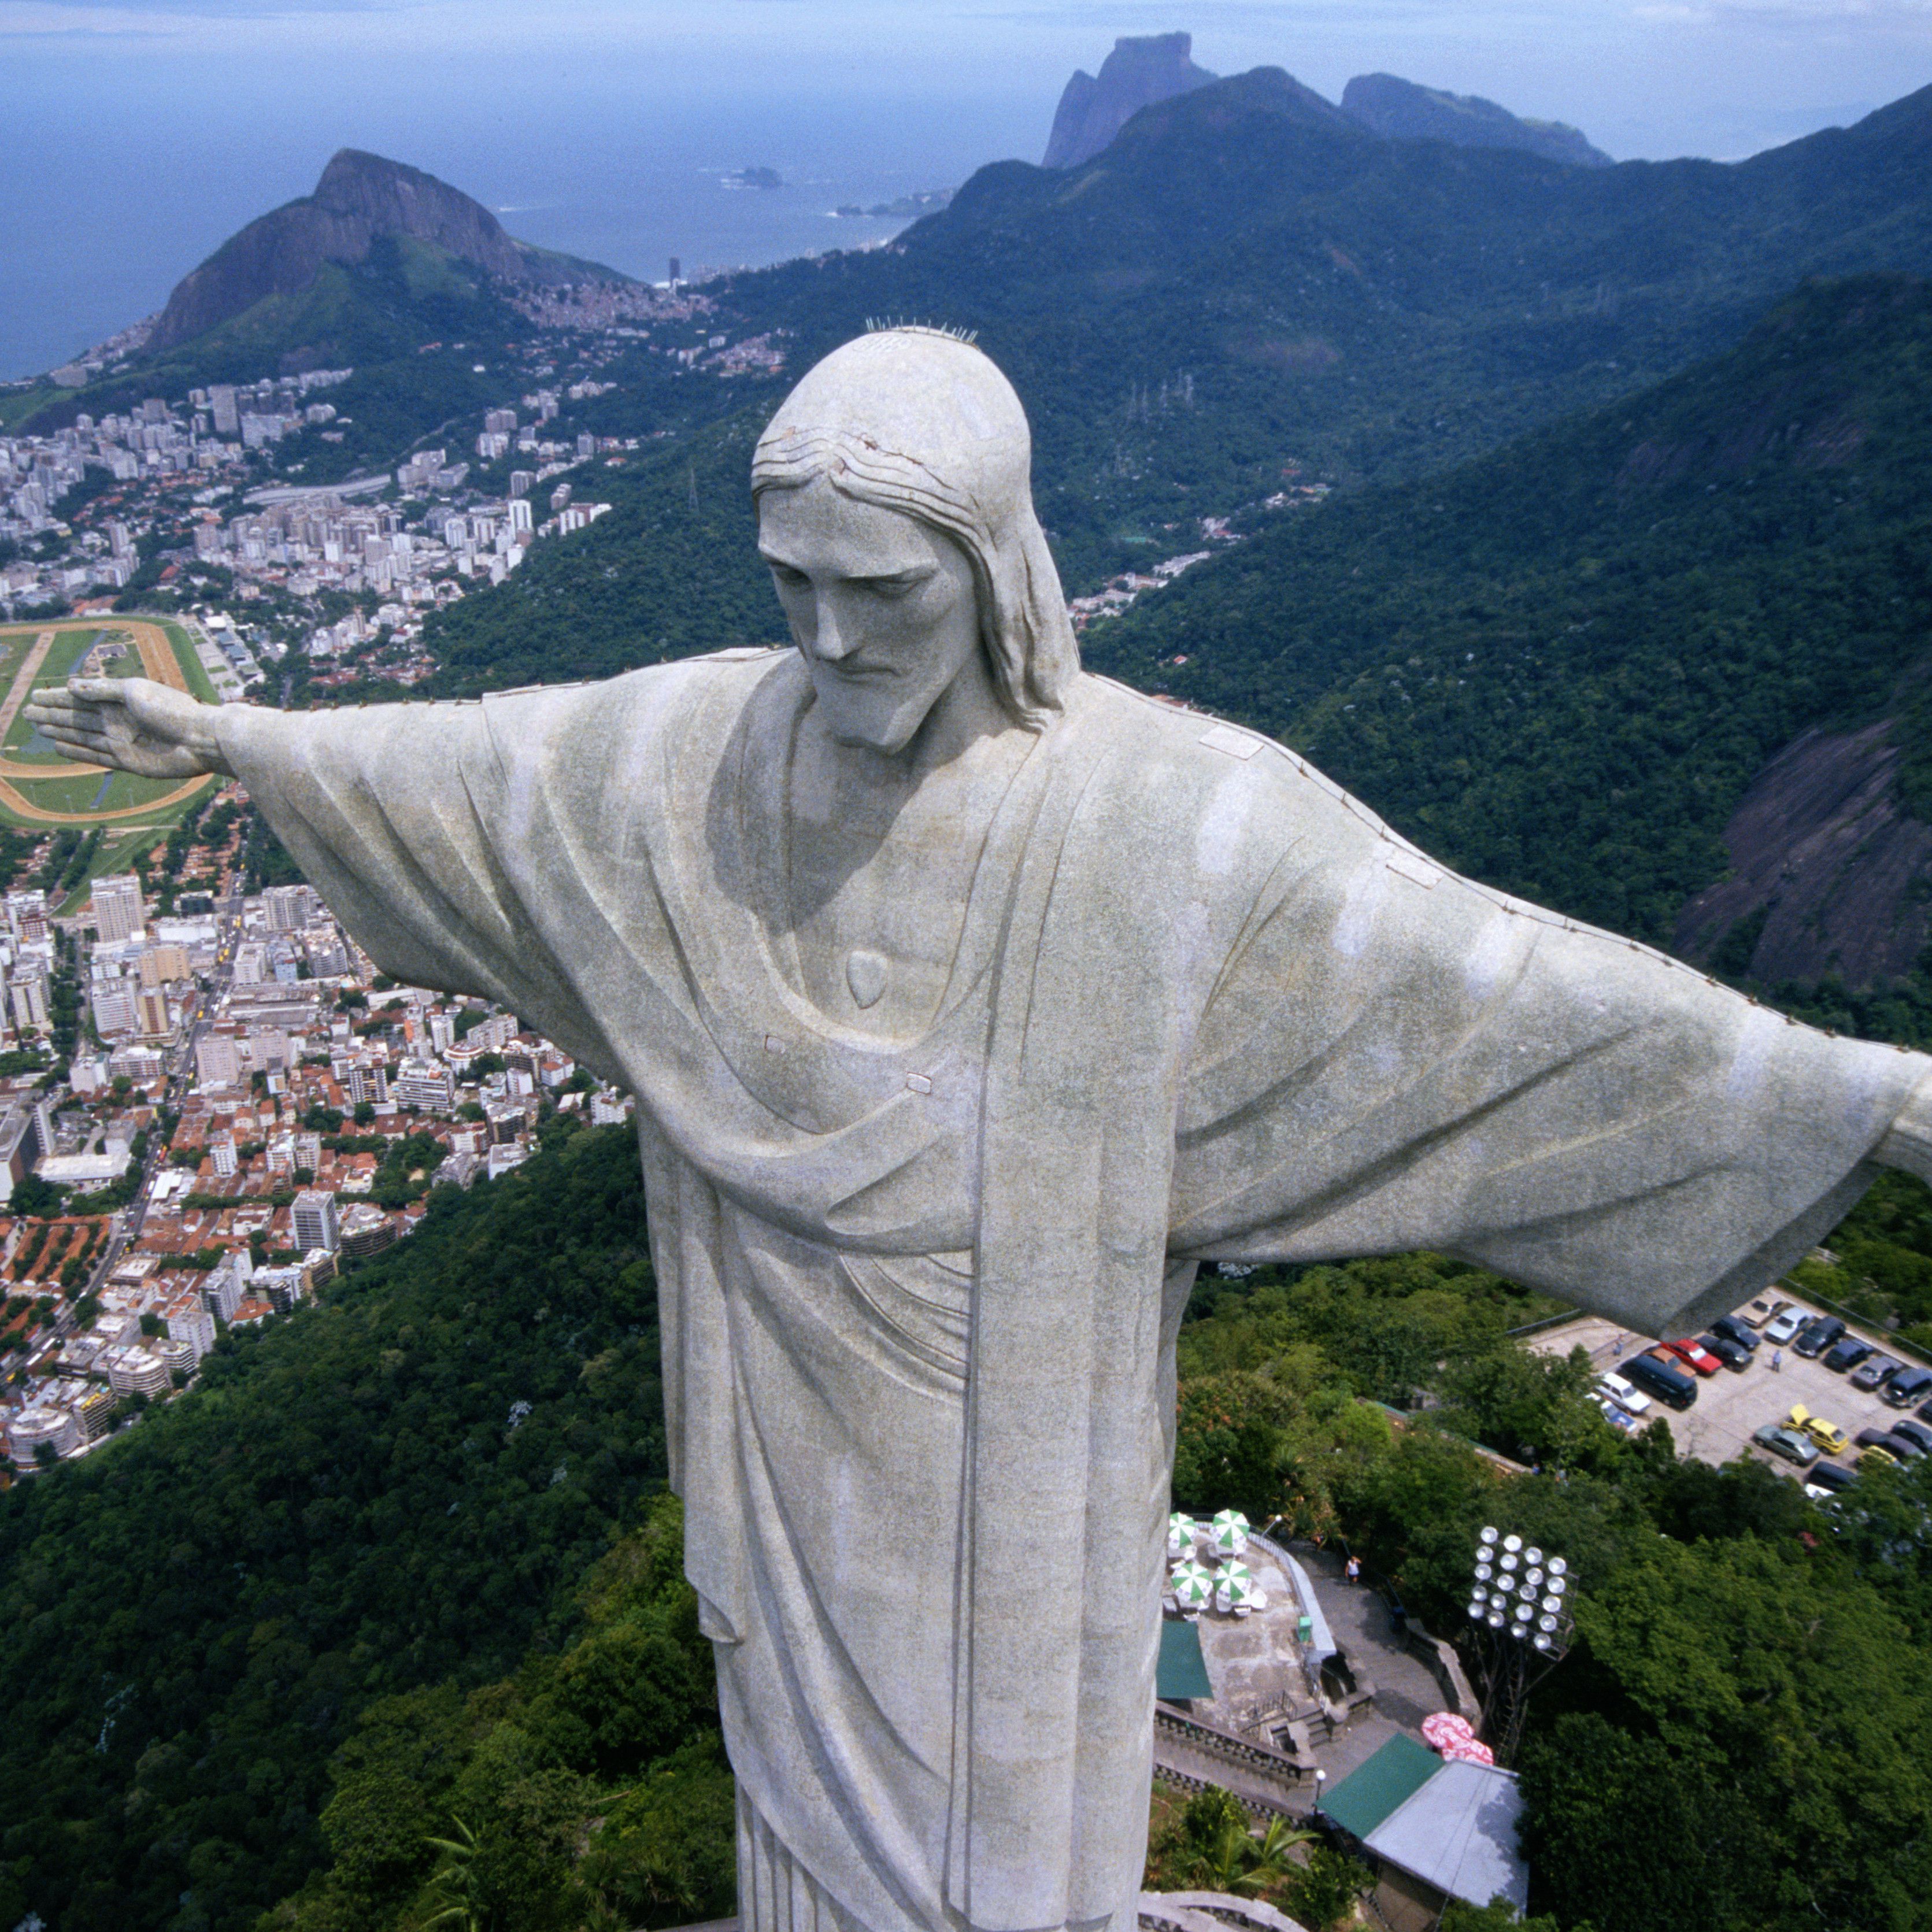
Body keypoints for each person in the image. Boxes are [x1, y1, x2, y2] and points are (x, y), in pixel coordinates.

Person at [29, 327, 1932, 1932]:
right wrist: (240, 739)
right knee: (793, 1818)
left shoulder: (1164, 828)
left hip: (1019, 1470)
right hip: (780, 1445)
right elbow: (489, 771)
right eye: (797, 586)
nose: (837, 637)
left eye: (888, 588)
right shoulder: (697, 759)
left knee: (1009, 1851)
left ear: (1000, 561)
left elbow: (1500, 993)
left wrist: (1865, 1093)